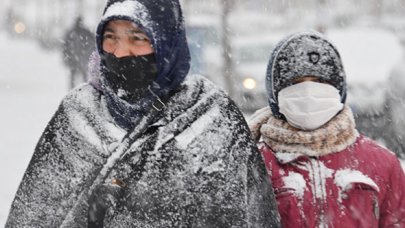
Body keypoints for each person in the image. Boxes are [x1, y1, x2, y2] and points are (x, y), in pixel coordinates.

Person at [6, 0, 280, 227]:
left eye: (138, 38)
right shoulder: (77, 113)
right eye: (111, 38)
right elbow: (35, 213)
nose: (121, 52)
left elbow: (250, 214)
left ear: (166, 41)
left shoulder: (213, 116)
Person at [248, 31, 405, 227]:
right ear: (275, 93)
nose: (308, 92)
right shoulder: (254, 164)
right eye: (295, 83)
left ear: (338, 89)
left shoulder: (382, 164)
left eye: (320, 82)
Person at [62, 16, 96, 89]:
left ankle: (74, 90)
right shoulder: (85, 32)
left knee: (75, 76)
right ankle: (85, 89)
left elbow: (65, 46)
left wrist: (66, 56)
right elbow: (93, 42)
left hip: (75, 57)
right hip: (80, 57)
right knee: (81, 75)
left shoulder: (72, 32)